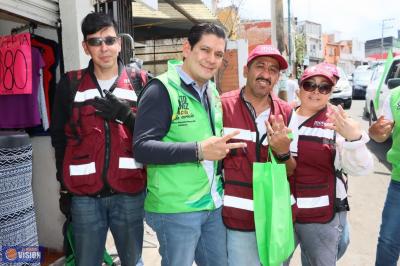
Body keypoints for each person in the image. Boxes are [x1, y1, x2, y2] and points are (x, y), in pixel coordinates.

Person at [133, 23, 246, 266]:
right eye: (205, 50)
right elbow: (141, 148)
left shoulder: (211, 91)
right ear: (187, 48)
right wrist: (198, 150)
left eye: (218, 54)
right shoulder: (161, 89)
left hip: (212, 204)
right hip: (176, 209)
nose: (211, 59)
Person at [50, 12, 147, 266]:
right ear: (85, 46)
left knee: (133, 262)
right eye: (95, 42)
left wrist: (127, 116)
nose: (103, 48)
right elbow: (59, 138)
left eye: (109, 40)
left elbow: (153, 137)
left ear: (119, 43)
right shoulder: (70, 84)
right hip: (84, 197)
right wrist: (64, 186)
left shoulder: (140, 82)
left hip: (130, 193)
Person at [285, 65, 373, 266]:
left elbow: (362, 168)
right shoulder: (284, 115)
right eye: (310, 85)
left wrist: (354, 139)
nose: (316, 91)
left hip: (322, 217)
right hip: (284, 212)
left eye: (324, 87)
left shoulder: (338, 121)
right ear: (299, 89)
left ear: (331, 92)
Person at [221, 44, 296, 265]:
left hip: (276, 218)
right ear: (246, 70)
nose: (266, 74)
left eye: (273, 70)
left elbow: (292, 169)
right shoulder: (222, 106)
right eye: (260, 66)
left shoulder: (287, 113)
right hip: (238, 220)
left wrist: (282, 152)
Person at [369, 85, 400, 266]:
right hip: (399, 181)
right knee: (388, 241)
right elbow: (380, 135)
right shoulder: (395, 95)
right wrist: (376, 132)